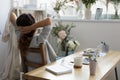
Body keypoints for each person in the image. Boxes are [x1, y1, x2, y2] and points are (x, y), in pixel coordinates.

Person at [1, 9, 57, 80]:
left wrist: (20, 28)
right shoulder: (39, 39)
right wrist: (31, 27)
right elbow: (49, 20)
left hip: (29, 73)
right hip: (44, 73)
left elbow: (11, 14)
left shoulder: (19, 37)